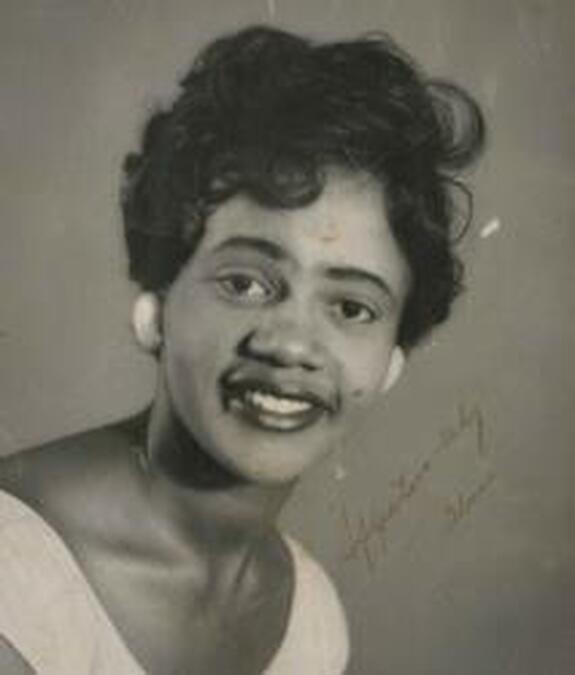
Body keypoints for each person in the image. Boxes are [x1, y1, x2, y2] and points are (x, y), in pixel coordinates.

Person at [0, 25, 485, 674]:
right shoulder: (15, 573)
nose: (291, 344)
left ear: (389, 362)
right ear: (159, 303)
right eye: (246, 283)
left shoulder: (311, 620)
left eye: (351, 308)